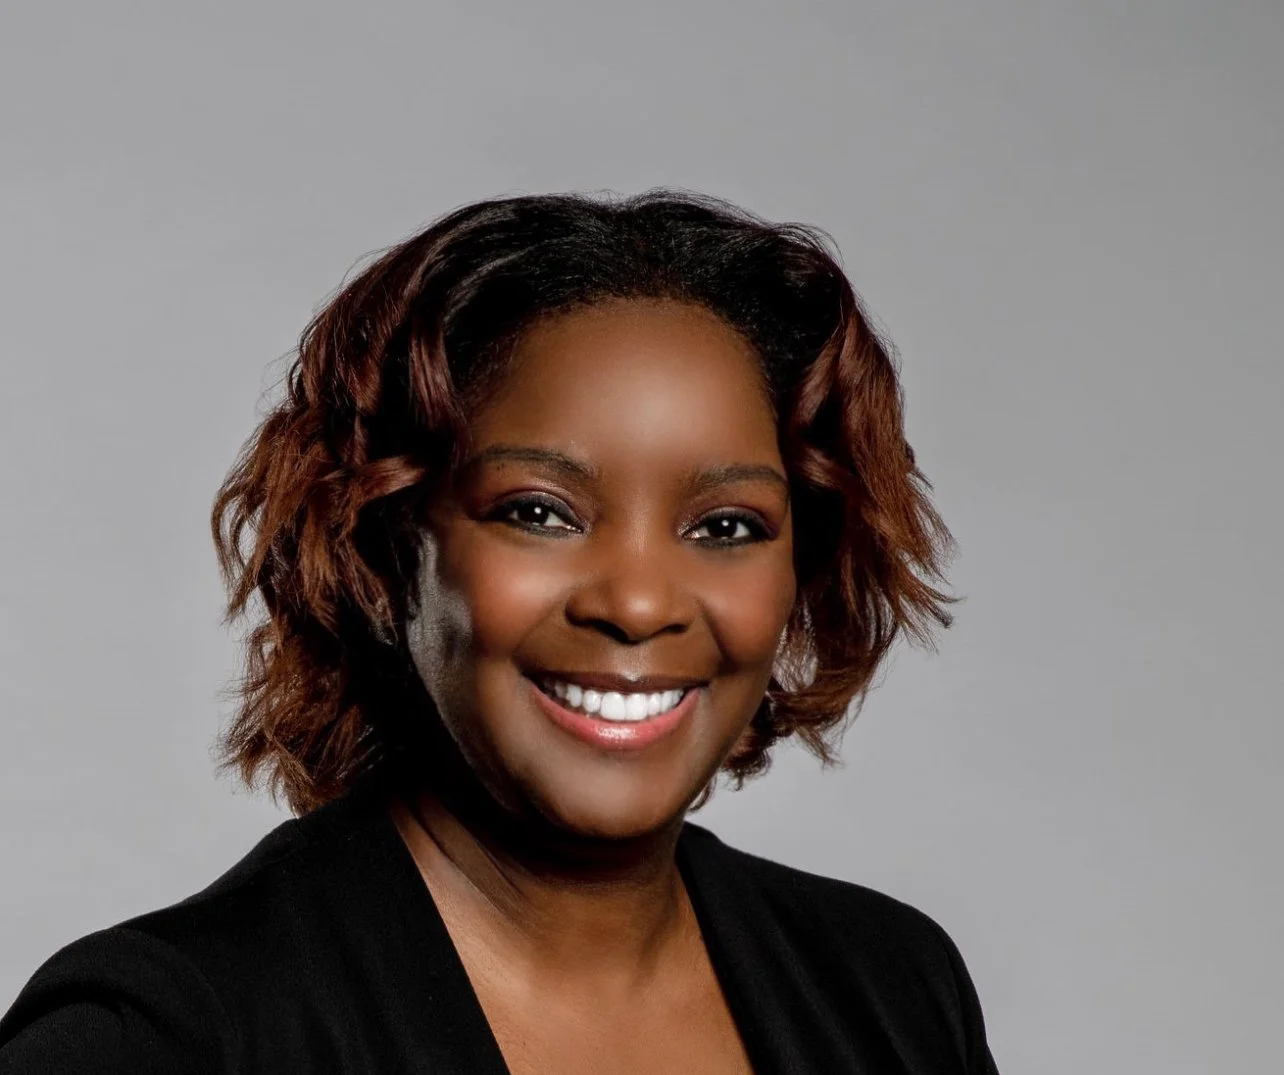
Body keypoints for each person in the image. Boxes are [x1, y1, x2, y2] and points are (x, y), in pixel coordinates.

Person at [0, 190, 1001, 1073]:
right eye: (539, 511)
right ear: (387, 547)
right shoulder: (165, 1036)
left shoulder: (894, 993)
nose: (641, 602)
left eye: (725, 526)